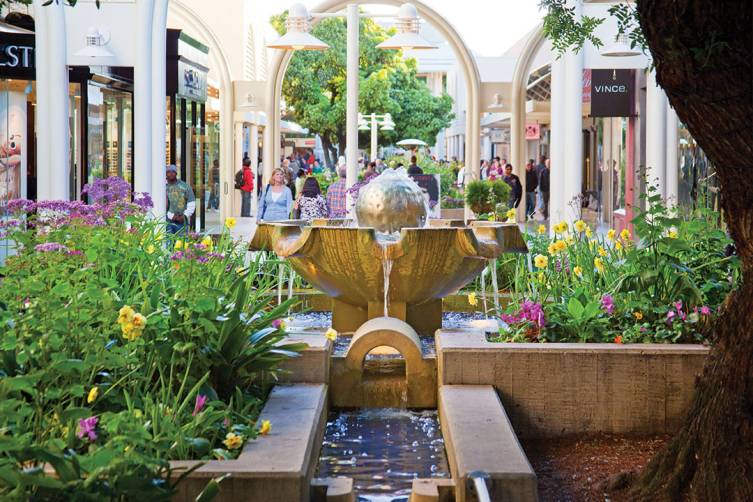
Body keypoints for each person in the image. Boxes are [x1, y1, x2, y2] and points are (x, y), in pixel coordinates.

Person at [166, 164, 195, 234]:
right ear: (166, 173)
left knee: (181, 243)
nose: (171, 173)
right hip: (166, 221)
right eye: (168, 172)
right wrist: (171, 216)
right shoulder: (162, 186)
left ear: (176, 173)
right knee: (167, 243)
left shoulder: (185, 186)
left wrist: (185, 216)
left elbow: (191, 202)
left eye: (173, 171)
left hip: (181, 221)